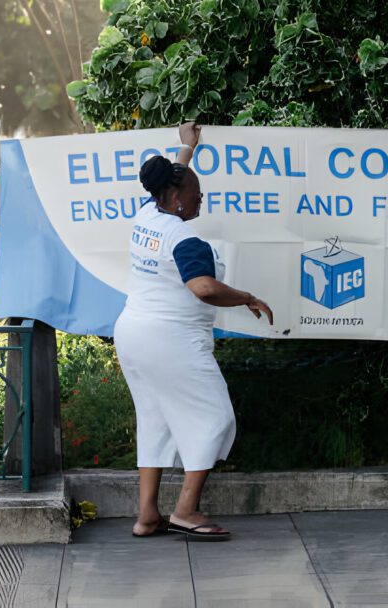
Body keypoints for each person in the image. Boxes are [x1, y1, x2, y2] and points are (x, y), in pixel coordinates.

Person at [114, 122, 273, 541]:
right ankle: (186, 510)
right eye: (196, 195)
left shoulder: (148, 214)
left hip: (132, 335)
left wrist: (187, 148)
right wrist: (247, 297)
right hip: (171, 341)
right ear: (179, 199)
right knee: (216, 417)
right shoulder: (186, 239)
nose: (201, 198)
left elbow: (177, 173)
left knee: (155, 421)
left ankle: (147, 516)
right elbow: (203, 288)